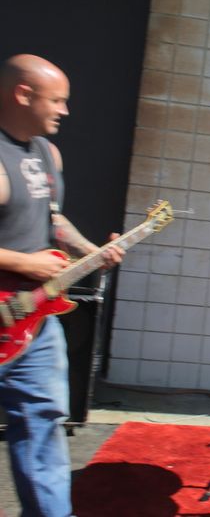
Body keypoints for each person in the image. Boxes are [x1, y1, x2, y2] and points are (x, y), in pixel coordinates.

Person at [0, 54, 125, 517]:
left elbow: (52, 220)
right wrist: (26, 263)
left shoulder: (47, 155)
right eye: (57, 100)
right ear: (23, 94)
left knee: (43, 423)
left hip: (33, 322)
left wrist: (91, 252)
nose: (65, 111)